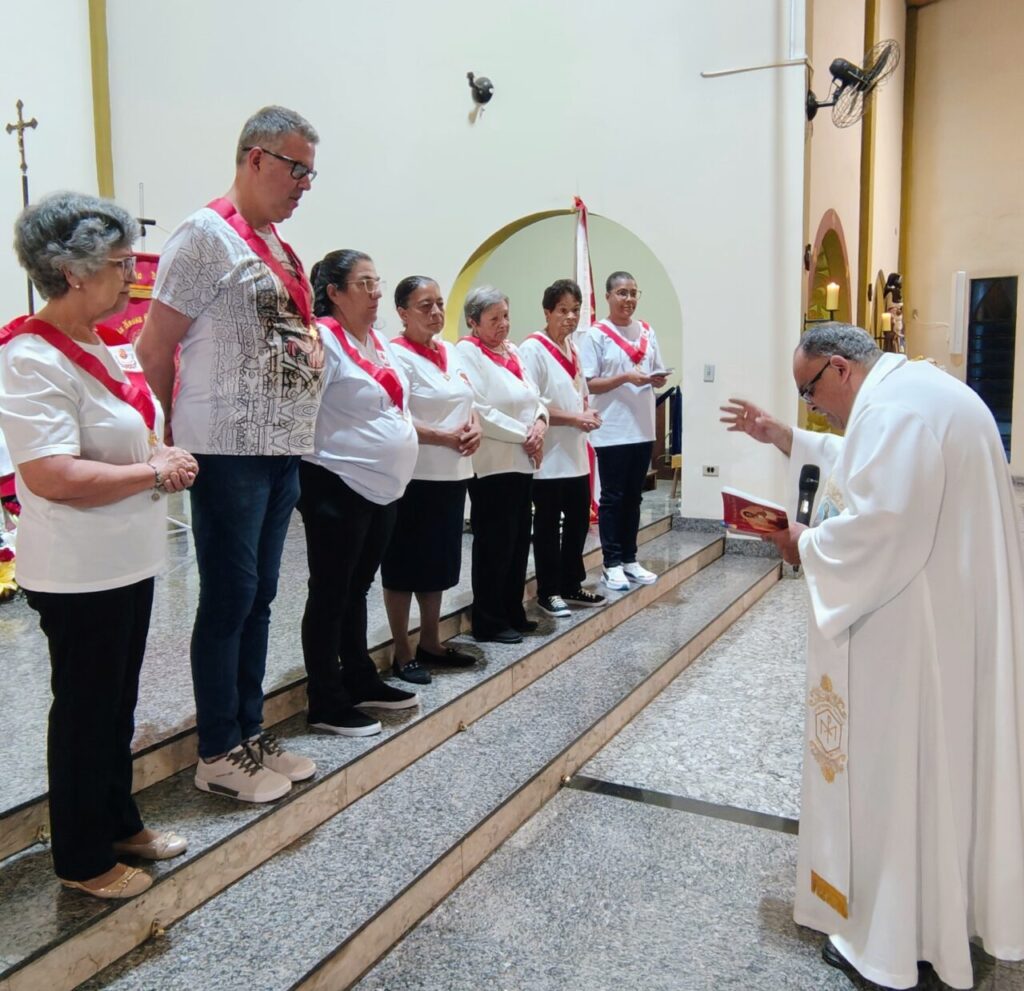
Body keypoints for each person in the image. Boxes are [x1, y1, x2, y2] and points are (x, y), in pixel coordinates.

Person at [721, 323, 1024, 990]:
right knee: (940, 775)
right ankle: (938, 918)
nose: (813, 407)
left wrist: (804, 543)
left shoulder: (894, 410)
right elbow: (872, 462)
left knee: (898, 773)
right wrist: (786, 438)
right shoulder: (917, 390)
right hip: (951, 616)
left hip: (912, 632)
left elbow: (882, 524)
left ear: (840, 368)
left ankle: (890, 941)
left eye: (810, 392)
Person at [0, 192, 198, 898]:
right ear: (71, 271)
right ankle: (82, 860)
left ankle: (118, 820)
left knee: (116, 706)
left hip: (125, 559)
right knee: (85, 712)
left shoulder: (97, 343)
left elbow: (125, 435)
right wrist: (154, 472)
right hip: (79, 569)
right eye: (118, 263)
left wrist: (158, 452)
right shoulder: (31, 357)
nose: (131, 277)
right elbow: (51, 474)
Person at [137, 106, 323, 803]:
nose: (304, 184)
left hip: (279, 449)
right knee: (230, 595)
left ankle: (249, 730)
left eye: (311, 173)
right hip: (224, 450)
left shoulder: (277, 246)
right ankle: (216, 749)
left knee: (261, 595)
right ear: (255, 158)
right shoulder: (204, 236)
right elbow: (154, 347)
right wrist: (174, 438)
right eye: (296, 168)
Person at [299, 251, 421, 733]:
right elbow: (301, 409)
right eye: (364, 283)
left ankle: (359, 676)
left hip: (380, 489)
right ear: (334, 292)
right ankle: (325, 699)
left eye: (376, 282)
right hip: (335, 482)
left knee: (357, 588)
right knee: (330, 592)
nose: (376, 293)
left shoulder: (376, 341)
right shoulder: (321, 339)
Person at [381, 276, 481, 685]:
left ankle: (431, 641)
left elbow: (468, 399)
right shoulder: (394, 354)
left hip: (452, 474)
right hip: (414, 476)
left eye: (439, 303)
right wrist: (443, 436)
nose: (436, 311)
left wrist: (474, 425)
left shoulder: (450, 351)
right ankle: (402, 651)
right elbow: (395, 415)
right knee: (404, 564)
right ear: (402, 313)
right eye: (425, 305)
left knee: (438, 561)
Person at [456, 287, 548, 644]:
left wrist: (540, 424)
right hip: (492, 464)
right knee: (494, 543)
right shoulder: (466, 352)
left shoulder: (512, 351)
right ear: (473, 321)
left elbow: (537, 397)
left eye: (506, 316)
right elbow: (480, 408)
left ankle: (512, 610)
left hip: (522, 461)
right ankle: (489, 619)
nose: (503, 324)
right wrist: (527, 434)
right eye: (494, 318)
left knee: (517, 541)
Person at [519, 279, 605, 618]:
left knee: (578, 523)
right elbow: (533, 405)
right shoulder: (533, 349)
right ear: (547, 312)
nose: (570, 317)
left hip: (575, 453)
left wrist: (587, 414)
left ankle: (571, 583)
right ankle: (548, 590)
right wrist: (574, 418)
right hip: (549, 456)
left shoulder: (573, 347)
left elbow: (577, 394)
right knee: (548, 525)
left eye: (575, 310)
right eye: (563, 310)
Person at [579, 271, 668, 592]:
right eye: (622, 293)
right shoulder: (596, 335)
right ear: (608, 296)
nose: (628, 299)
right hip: (613, 428)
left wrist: (657, 378)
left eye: (633, 293)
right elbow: (589, 382)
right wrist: (625, 378)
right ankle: (611, 563)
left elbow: (655, 369)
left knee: (634, 497)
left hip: (642, 427)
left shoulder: (646, 331)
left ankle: (630, 558)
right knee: (613, 498)